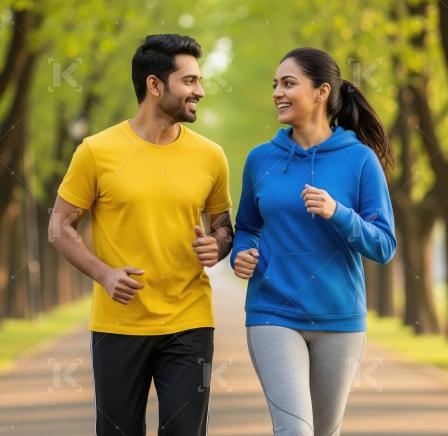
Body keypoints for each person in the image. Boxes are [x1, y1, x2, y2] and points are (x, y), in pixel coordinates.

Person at [49, 34, 234, 436]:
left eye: (199, 81)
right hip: (119, 324)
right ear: (155, 85)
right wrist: (104, 274)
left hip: (190, 322)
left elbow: (223, 227)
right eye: (189, 81)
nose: (200, 91)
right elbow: (59, 227)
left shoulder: (211, 156)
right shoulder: (96, 151)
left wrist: (217, 245)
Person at [230, 47, 397, 436]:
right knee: (294, 430)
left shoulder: (360, 160)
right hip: (273, 313)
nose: (278, 93)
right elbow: (247, 226)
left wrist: (338, 212)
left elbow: (384, 245)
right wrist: (241, 253)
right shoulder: (260, 159)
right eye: (275, 84)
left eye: (289, 83)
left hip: (338, 317)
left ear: (322, 92)